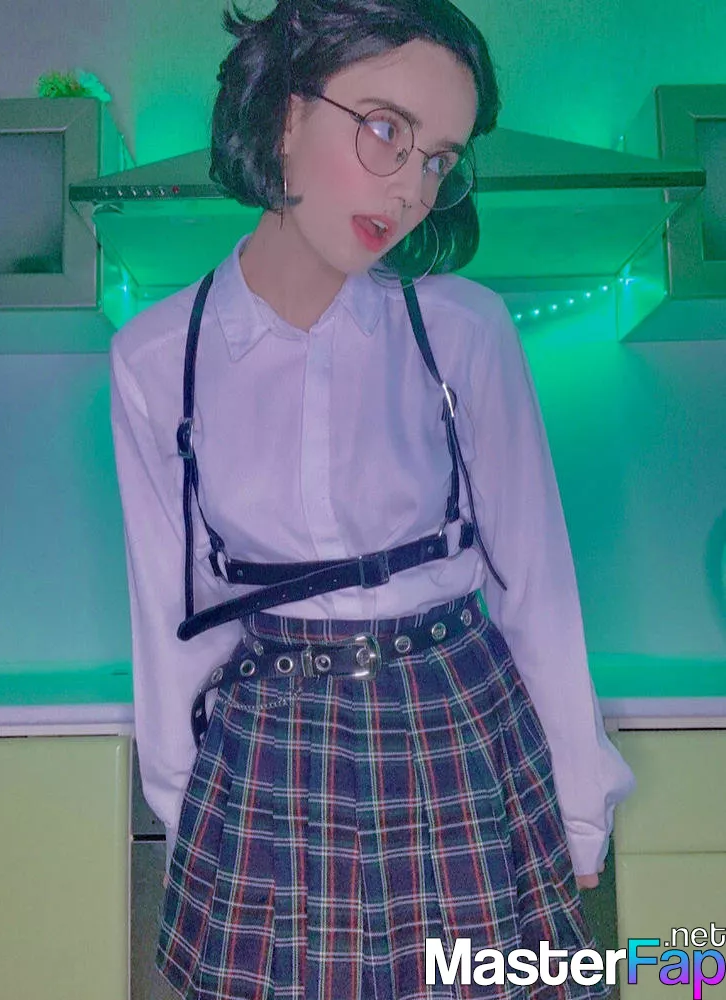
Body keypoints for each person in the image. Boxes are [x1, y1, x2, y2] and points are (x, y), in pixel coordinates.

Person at [110, 1, 635, 997]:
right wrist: (189, 819)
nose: (410, 189)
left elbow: (536, 587)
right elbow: (174, 625)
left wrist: (579, 804)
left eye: (438, 160)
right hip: (267, 745)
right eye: (386, 129)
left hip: (459, 720)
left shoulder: (465, 330)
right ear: (283, 115)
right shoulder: (153, 359)